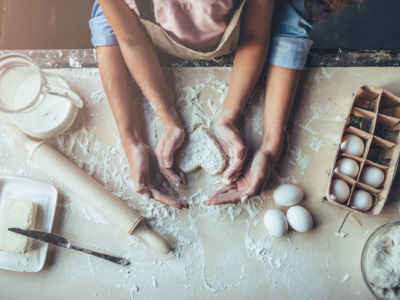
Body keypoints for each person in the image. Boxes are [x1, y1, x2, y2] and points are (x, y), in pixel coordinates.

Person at [89, 0, 355, 209]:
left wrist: (268, 142)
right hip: (146, 38)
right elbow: (129, 38)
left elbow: (257, 33)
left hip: (242, 35)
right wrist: (135, 138)